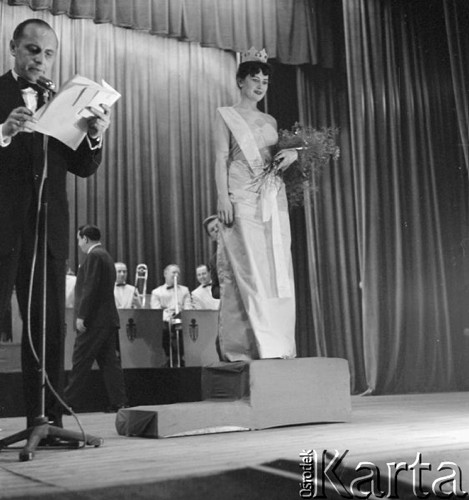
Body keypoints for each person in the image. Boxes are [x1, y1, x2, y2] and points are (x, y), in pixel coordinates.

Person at [0, 19, 111, 428]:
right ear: (13, 48)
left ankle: (44, 422)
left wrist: (94, 134)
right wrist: (3, 132)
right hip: (3, 226)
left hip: (47, 229)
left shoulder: (66, 101)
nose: (40, 61)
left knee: (46, 328)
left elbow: (83, 166)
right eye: (32, 50)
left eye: (48, 54)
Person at [214, 48, 298, 361]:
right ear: (240, 81)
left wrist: (294, 156)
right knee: (247, 271)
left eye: (265, 80)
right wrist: (223, 197)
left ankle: (277, 345)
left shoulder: (270, 119)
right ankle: (244, 349)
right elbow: (221, 157)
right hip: (241, 194)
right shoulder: (226, 114)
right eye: (254, 79)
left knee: (275, 269)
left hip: (271, 197)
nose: (260, 85)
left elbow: (277, 158)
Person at [64, 225, 127, 413]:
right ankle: (119, 402)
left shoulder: (93, 256)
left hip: (94, 321)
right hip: (107, 320)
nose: (78, 244)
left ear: (85, 238)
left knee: (80, 359)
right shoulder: (105, 255)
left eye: (79, 239)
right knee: (109, 363)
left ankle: (67, 402)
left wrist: (82, 316)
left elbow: (89, 288)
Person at [150, 264, 191, 366]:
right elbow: (156, 311)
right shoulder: (156, 292)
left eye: (178, 273)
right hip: (166, 320)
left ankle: (181, 357)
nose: (176, 275)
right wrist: (169, 318)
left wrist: (180, 316)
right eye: (174, 272)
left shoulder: (185, 290)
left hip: (181, 318)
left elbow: (188, 307)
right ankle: (169, 357)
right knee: (163, 329)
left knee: (185, 327)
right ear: (165, 274)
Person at [202, 214, 220, 300]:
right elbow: (215, 291)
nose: (216, 229)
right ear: (211, 238)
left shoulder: (245, 247)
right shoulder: (213, 260)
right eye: (212, 230)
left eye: (218, 226)